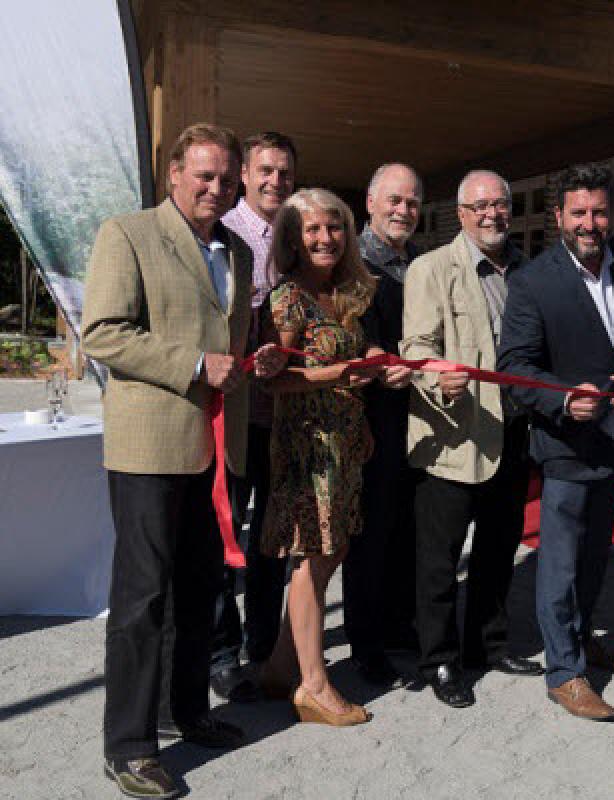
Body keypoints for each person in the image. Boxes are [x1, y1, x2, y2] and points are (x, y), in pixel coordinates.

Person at [82, 122, 284, 800]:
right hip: (150, 443)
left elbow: (231, 343)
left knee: (202, 588)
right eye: (204, 175)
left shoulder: (238, 251)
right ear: (173, 174)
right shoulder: (128, 233)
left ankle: (184, 709)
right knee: (143, 597)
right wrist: (197, 365)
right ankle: (129, 747)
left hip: (215, 447)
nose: (216, 187)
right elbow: (104, 332)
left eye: (227, 178)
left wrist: (258, 358)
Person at [498, 162, 614, 721]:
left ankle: (579, 638)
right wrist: (560, 398)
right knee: (562, 561)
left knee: (595, 555)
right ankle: (565, 672)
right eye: (579, 212)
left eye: (598, 211)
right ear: (559, 217)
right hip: (566, 440)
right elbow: (515, 365)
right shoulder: (532, 280)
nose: (590, 222)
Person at [256, 188, 411, 726]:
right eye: (312, 230)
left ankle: (281, 666)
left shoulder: (345, 292)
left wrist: (373, 359)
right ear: (293, 239)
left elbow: (355, 349)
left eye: (334, 227)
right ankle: (314, 685)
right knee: (312, 557)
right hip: (307, 444)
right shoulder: (289, 297)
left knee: (329, 554)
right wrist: (334, 375)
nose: (325, 238)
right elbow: (273, 381)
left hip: (344, 438)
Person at [402, 169, 545, 709]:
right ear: (460, 214)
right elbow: (415, 347)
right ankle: (438, 658)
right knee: (439, 561)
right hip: (453, 438)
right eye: (480, 205)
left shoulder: (525, 274)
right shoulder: (430, 269)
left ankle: (488, 644)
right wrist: (438, 376)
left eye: (500, 205)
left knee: (496, 550)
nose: (492, 214)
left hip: (513, 435)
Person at [210, 131, 297, 702]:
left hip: (281, 415)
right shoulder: (225, 235)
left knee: (272, 538)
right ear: (244, 173)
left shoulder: (294, 235)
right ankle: (221, 649)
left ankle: (263, 645)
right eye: (265, 170)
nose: (275, 181)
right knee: (223, 534)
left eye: (284, 173)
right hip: (231, 413)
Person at [342, 162, 423, 686]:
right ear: (370, 204)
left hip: (414, 413)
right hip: (369, 415)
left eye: (413, 203)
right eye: (394, 200)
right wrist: (372, 358)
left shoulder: (418, 264)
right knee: (369, 532)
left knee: (405, 525)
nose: (403, 210)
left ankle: (398, 624)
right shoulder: (350, 264)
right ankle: (365, 641)